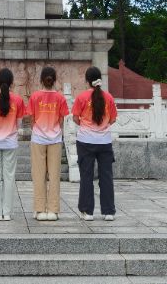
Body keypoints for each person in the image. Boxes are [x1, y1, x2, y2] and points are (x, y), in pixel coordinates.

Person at [72, 66, 118, 221]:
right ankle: (108, 211)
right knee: (106, 176)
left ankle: (87, 211)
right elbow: (112, 119)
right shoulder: (109, 97)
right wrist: (102, 127)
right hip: (104, 141)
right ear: (100, 79)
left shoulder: (82, 97)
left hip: (85, 141)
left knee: (86, 176)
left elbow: (75, 118)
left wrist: (87, 126)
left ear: (87, 80)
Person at [0, 68, 26, 221]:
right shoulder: (18, 100)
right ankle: (7, 212)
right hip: (10, 142)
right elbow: (19, 123)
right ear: (12, 82)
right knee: (9, 177)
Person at [27, 66, 69, 221]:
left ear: (41, 80)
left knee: (38, 175)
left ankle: (39, 210)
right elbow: (61, 119)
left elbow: (31, 119)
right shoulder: (60, 98)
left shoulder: (35, 97)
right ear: (54, 80)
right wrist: (54, 131)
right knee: (54, 175)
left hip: (38, 138)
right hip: (55, 139)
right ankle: (53, 210)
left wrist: (39, 130)